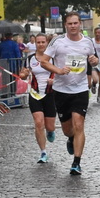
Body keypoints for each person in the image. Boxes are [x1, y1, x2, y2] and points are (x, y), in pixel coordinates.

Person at [41, 12, 99, 176]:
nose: (73, 26)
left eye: (75, 23)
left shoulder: (87, 42)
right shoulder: (57, 41)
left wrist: (95, 61)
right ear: (65, 25)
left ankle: (76, 163)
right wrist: (58, 70)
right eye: (70, 23)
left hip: (80, 90)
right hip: (61, 90)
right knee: (68, 129)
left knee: (79, 124)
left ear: (80, 24)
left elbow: (93, 59)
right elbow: (44, 61)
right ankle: (70, 138)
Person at [26, 33, 57, 163]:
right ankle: (43, 152)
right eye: (38, 42)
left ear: (47, 43)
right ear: (35, 44)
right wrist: (23, 74)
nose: (40, 44)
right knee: (39, 123)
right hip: (35, 94)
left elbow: (61, 73)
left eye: (43, 42)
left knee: (49, 126)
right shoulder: (30, 58)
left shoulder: (54, 58)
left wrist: (53, 81)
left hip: (50, 94)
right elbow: (25, 72)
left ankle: (50, 131)